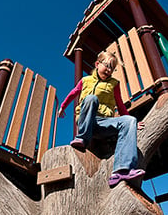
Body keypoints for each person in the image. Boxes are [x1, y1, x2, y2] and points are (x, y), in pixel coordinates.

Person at [58, 50, 145, 187]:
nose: (109, 70)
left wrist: (130, 120)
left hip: (103, 123)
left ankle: (121, 170)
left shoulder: (114, 84)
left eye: (112, 68)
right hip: (87, 121)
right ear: (97, 64)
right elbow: (73, 93)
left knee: (130, 121)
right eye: (107, 65)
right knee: (91, 99)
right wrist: (63, 107)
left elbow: (120, 104)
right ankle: (82, 138)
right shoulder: (85, 81)